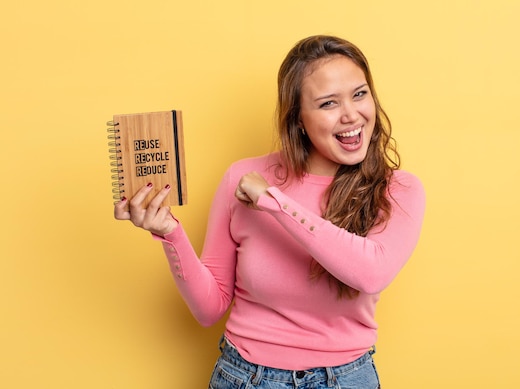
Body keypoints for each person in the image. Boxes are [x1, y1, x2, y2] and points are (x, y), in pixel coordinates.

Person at [114, 35, 426, 389]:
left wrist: (274, 203)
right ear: (299, 120)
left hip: (347, 379)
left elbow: (371, 272)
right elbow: (209, 309)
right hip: (246, 377)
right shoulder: (241, 177)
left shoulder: (398, 189)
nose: (351, 115)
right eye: (328, 104)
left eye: (359, 94)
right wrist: (170, 231)